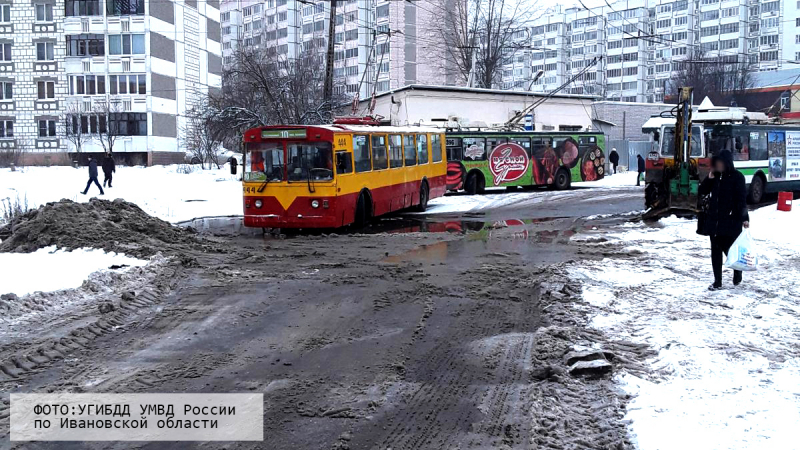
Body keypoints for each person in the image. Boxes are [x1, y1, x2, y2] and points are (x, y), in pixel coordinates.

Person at [698, 150, 750, 291]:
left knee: (729, 250)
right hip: (714, 220)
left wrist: (744, 218)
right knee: (715, 251)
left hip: (730, 221)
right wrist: (709, 177)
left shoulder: (737, 177)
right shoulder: (715, 177)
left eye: (720, 163)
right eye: (717, 163)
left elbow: (741, 200)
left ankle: (737, 270)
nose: (718, 165)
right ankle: (717, 281)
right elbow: (702, 191)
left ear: (727, 163)